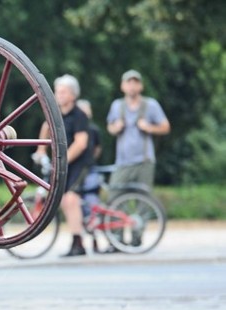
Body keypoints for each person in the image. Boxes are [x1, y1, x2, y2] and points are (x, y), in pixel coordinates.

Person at [35, 75, 91, 257]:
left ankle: (78, 243)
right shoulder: (56, 114)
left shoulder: (79, 115)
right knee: (64, 201)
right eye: (57, 91)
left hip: (80, 163)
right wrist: (40, 151)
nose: (58, 94)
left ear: (73, 95)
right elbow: (46, 127)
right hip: (63, 163)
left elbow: (81, 143)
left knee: (70, 200)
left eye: (63, 91)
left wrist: (62, 161)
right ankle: (77, 238)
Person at [106, 70, 170, 190]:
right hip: (122, 161)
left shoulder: (151, 105)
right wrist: (116, 128)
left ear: (141, 86)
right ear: (122, 86)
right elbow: (110, 127)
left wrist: (149, 127)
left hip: (144, 161)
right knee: (114, 195)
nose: (132, 86)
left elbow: (166, 127)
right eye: (129, 82)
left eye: (135, 83)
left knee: (144, 199)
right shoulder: (117, 105)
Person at [76, 99, 104, 252]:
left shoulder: (93, 130)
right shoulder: (78, 129)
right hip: (79, 170)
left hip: (90, 169)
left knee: (92, 206)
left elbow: (97, 149)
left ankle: (94, 239)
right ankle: (81, 240)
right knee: (78, 207)